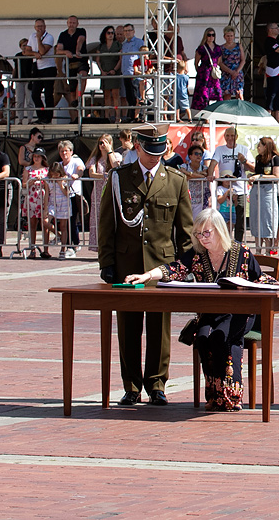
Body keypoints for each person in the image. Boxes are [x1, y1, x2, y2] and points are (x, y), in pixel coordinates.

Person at [123, 208, 277, 410]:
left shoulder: (242, 252)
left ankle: (230, 397)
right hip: (210, 313)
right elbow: (174, 269)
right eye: (198, 234)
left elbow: (261, 278)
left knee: (221, 336)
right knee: (203, 338)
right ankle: (214, 395)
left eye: (207, 233)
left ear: (220, 230)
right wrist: (146, 276)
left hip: (239, 314)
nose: (202, 238)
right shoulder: (198, 255)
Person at [98, 123, 194, 406]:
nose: (155, 157)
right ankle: (131, 385)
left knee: (159, 328)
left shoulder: (176, 180)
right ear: (137, 147)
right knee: (128, 326)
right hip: (127, 263)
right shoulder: (119, 178)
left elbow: (184, 231)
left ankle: (156, 383)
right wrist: (107, 262)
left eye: (160, 151)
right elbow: (106, 225)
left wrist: (186, 266)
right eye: (149, 151)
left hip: (161, 266)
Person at [207, 126, 252, 242]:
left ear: (236, 137)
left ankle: (238, 243)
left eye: (232, 135)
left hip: (240, 189)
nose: (230, 138)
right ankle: (223, 242)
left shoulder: (244, 149)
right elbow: (212, 164)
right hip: (223, 188)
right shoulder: (220, 149)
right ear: (224, 137)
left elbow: (252, 168)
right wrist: (210, 174)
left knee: (240, 218)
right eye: (227, 135)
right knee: (222, 217)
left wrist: (244, 160)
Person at [86, 134, 122, 252]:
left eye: (105, 143)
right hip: (98, 192)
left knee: (110, 218)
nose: (102, 145)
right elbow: (91, 173)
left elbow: (116, 166)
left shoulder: (116, 155)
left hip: (111, 192)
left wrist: (109, 151)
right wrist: (103, 176)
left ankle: (111, 245)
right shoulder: (95, 158)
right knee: (98, 219)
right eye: (100, 143)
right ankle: (99, 246)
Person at [249, 136, 279, 253]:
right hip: (257, 189)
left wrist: (261, 176)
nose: (258, 148)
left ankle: (268, 250)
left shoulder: (275, 158)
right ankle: (258, 249)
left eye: (260, 145)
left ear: (266, 146)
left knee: (268, 217)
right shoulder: (258, 158)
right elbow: (256, 172)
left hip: (268, 189)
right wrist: (252, 176)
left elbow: (276, 176)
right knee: (256, 217)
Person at [53, 16, 86, 123]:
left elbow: (80, 40)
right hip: (70, 64)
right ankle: (76, 117)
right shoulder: (63, 35)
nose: (71, 24)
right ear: (67, 23)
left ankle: (78, 99)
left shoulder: (81, 31)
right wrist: (66, 52)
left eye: (74, 23)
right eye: (70, 22)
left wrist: (77, 50)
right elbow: (58, 50)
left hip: (81, 61)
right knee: (71, 90)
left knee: (83, 75)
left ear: (77, 23)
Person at [23, 20, 56, 124]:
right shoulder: (31, 36)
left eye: (41, 26)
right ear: (34, 27)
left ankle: (48, 117)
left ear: (45, 27)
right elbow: (26, 52)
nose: (39, 28)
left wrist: (38, 39)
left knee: (48, 94)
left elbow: (42, 51)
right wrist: (34, 53)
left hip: (49, 68)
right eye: (37, 26)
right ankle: (41, 116)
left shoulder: (49, 37)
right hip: (37, 68)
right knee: (35, 94)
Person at [57, 140, 85, 258]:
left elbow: (81, 169)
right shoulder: (59, 165)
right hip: (61, 197)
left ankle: (73, 244)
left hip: (73, 195)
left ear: (71, 152)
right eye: (62, 151)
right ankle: (68, 245)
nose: (64, 153)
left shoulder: (76, 160)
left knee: (72, 220)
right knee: (64, 222)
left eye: (66, 151)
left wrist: (77, 175)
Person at [22, 147, 51, 259]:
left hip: (43, 197)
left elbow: (49, 185)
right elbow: (24, 184)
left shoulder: (46, 169)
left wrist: (43, 181)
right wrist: (32, 181)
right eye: (35, 156)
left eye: (38, 156)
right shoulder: (28, 169)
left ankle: (46, 249)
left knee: (45, 224)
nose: (36, 158)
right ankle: (32, 249)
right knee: (32, 225)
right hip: (32, 198)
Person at [94, 26, 123, 123]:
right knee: (106, 95)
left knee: (115, 94)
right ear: (105, 34)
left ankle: (117, 116)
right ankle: (107, 116)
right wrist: (101, 71)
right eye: (108, 33)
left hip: (114, 71)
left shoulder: (118, 45)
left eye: (112, 33)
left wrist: (115, 69)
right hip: (105, 71)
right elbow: (97, 59)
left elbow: (121, 58)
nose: (111, 35)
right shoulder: (101, 46)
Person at [45, 162, 72, 257]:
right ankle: (59, 236)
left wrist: (61, 185)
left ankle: (63, 249)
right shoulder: (48, 180)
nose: (55, 176)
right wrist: (45, 208)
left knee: (63, 226)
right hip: (53, 203)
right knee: (45, 222)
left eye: (56, 174)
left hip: (63, 203)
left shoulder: (65, 179)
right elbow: (47, 193)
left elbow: (67, 193)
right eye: (53, 174)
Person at [192, 27, 222, 111]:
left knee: (218, 93)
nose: (211, 37)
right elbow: (196, 62)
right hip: (204, 73)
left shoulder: (217, 48)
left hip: (213, 73)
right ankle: (205, 115)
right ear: (206, 36)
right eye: (209, 35)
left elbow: (219, 61)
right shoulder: (201, 48)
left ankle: (218, 114)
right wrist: (200, 72)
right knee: (204, 94)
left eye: (213, 35)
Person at [120, 24, 145, 122]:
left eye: (129, 30)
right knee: (129, 96)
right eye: (125, 31)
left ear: (133, 31)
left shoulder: (139, 42)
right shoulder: (124, 44)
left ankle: (138, 116)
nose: (127, 32)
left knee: (137, 96)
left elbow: (143, 56)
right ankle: (131, 116)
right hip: (126, 73)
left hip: (135, 73)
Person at [184, 144, 210, 218]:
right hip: (187, 200)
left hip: (200, 201)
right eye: (196, 153)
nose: (198, 156)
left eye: (200, 154)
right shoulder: (184, 166)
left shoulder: (204, 167)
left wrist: (190, 175)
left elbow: (205, 174)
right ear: (190, 156)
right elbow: (182, 174)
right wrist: (199, 175)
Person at [14, 37, 36, 125]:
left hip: (28, 79)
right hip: (19, 80)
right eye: (23, 45)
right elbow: (15, 68)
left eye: (27, 45)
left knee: (29, 100)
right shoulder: (18, 55)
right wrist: (13, 78)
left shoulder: (31, 56)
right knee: (19, 101)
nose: (25, 47)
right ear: (20, 46)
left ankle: (30, 119)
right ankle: (20, 119)